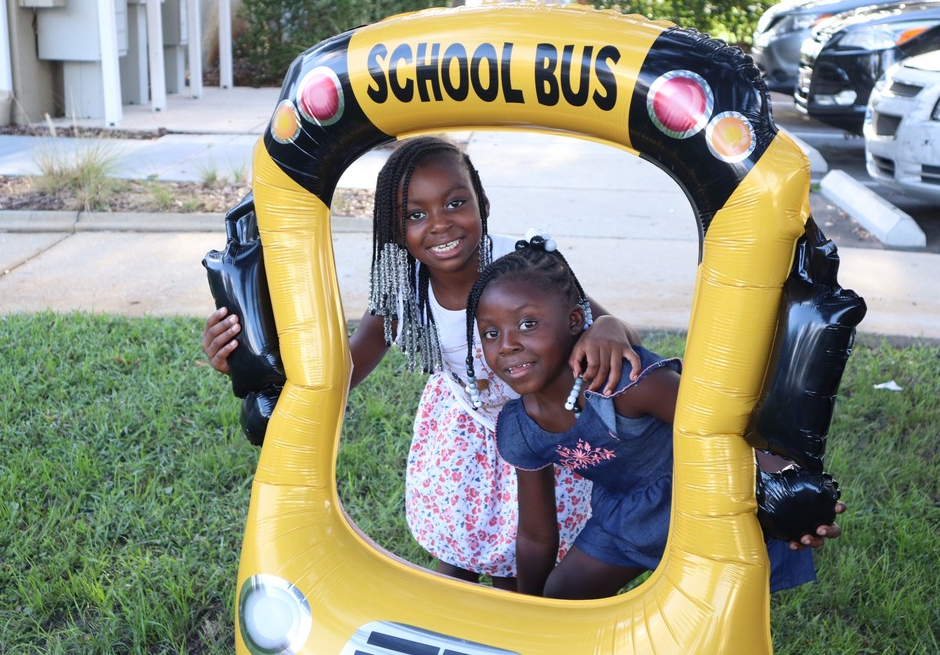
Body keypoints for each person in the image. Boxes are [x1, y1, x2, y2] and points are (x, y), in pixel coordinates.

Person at [201, 135, 645, 590]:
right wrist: (247, 358)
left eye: (455, 203)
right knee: (455, 568)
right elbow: (339, 374)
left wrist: (609, 328)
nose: (440, 225)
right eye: (415, 215)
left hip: (545, 434)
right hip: (467, 438)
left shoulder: (525, 265)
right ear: (395, 229)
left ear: (482, 202)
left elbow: (606, 326)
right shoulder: (404, 293)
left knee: (524, 573)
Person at [465, 233, 845, 599]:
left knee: (707, 618)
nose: (508, 344)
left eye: (527, 324)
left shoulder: (628, 383)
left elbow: (729, 432)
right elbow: (535, 535)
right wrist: (529, 617)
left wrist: (793, 493)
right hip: (628, 516)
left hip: (707, 500)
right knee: (564, 593)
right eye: (490, 333)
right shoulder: (519, 429)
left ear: (575, 320)